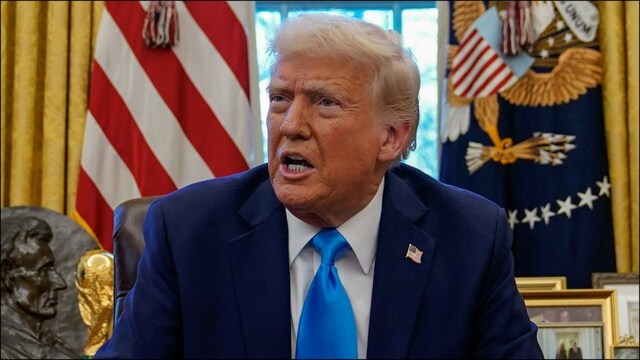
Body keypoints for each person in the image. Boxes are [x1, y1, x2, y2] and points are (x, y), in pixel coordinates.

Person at [95, 13, 543, 358]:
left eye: (325, 103)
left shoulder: (468, 235)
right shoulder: (189, 229)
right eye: (280, 99)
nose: (291, 126)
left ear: (392, 137)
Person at [1, 216, 78, 359]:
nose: (60, 283)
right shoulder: (6, 349)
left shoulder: (53, 343)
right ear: (7, 275)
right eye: (44, 270)